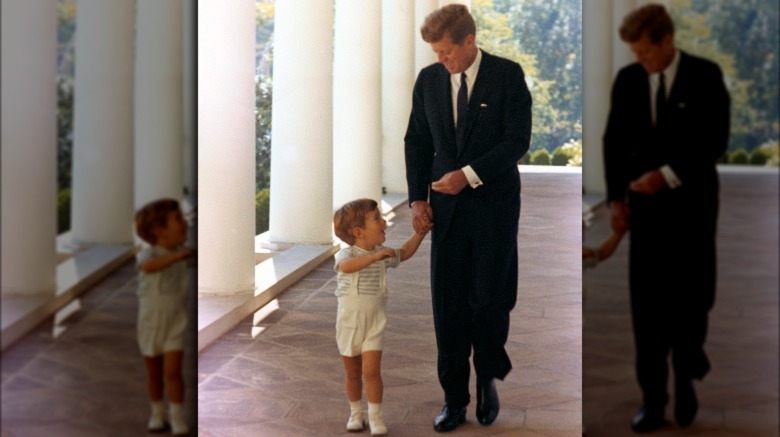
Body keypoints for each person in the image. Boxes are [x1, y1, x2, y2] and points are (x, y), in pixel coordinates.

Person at [404, 4, 532, 432]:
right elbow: (417, 142)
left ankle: (488, 379)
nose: (442, 60)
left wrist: (469, 176)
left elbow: (517, 141)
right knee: (449, 307)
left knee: (491, 301)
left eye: (446, 52)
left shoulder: (507, 75)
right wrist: (417, 200)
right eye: (436, 53)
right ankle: (454, 400)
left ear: (469, 41)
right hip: (447, 214)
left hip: (494, 208)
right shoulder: (429, 80)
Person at [603, 4, 730, 433]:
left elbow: (715, 140)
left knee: (693, 301)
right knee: (649, 310)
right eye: (635, 52)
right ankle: (653, 402)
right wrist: (616, 201)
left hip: (692, 209)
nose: (640, 59)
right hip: (647, 216)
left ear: (667, 41)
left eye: (645, 51)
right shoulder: (629, 81)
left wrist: (668, 176)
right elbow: (614, 142)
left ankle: (688, 371)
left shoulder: (706, 76)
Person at [332, 198, 428, 435]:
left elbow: (404, 252)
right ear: (359, 232)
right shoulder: (347, 254)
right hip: (349, 325)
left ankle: (375, 416)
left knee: (372, 372)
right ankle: (356, 413)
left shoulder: (382, 254)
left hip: (374, 323)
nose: (384, 222)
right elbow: (346, 267)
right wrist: (375, 257)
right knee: (353, 372)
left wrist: (420, 233)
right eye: (376, 219)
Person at [134, 199, 196, 435]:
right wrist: (178, 258)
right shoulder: (148, 254)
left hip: (174, 325)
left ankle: (177, 416)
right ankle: (157, 413)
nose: (185, 224)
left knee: (173, 371)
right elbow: (148, 267)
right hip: (150, 325)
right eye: (178, 220)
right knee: (154, 373)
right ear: (160, 232)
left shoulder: (182, 251)